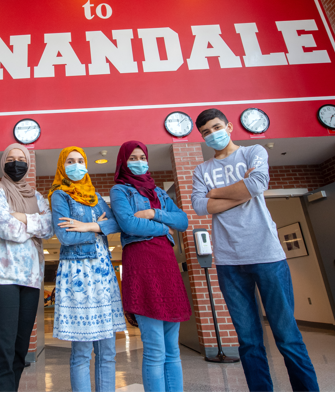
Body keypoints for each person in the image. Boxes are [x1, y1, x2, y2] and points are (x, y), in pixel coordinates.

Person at [190, 108, 319, 392]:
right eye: (206, 132)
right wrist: (241, 190)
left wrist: (215, 192)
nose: (212, 135)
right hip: (228, 261)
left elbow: (259, 183)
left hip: (267, 256)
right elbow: (200, 206)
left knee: (288, 337)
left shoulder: (253, 152)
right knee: (248, 341)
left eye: (215, 127)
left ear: (229, 126)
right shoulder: (202, 170)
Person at [109, 141, 190, 392]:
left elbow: (183, 221)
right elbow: (128, 224)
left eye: (142, 156)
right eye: (132, 157)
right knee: (155, 348)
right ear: (123, 162)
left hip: (167, 265)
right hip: (142, 265)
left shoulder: (160, 193)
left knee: (173, 348)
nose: (138, 161)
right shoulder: (120, 190)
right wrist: (164, 227)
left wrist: (155, 214)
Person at [0, 143, 54, 391]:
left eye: (21, 158)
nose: (16, 162)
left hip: (30, 280)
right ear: (3, 163)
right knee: (2, 351)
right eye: (11, 158)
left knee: (20, 352)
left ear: (28, 163)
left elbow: (49, 227)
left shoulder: (37, 196)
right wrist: (33, 223)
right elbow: (4, 227)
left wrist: (17, 216)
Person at [48, 146, 126, 392]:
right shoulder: (59, 195)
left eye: (80, 160)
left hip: (103, 274)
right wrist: (97, 227)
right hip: (78, 274)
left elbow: (115, 223)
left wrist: (87, 226)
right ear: (62, 165)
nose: (76, 165)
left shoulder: (95, 195)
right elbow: (64, 236)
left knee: (108, 350)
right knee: (82, 351)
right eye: (70, 161)